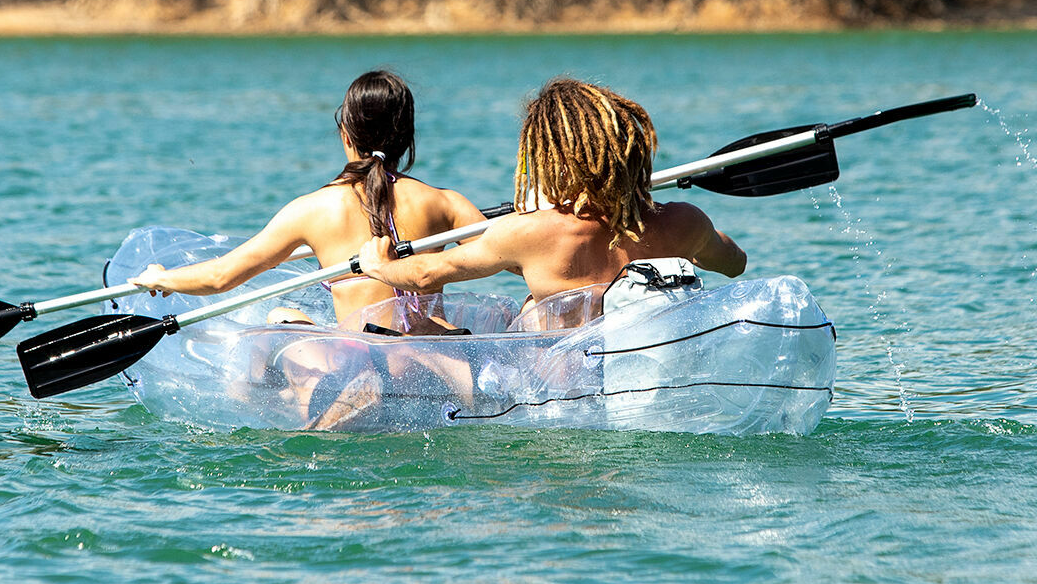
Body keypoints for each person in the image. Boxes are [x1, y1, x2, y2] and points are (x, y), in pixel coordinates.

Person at [131, 70, 485, 429]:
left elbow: (221, 276)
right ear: (408, 138)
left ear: (345, 135)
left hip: (364, 365)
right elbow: (506, 254)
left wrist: (163, 278)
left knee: (280, 317)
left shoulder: (313, 209)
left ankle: (286, 399)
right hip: (432, 365)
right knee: (432, 329)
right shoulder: (444, 203)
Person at [357, 77, 746, 310]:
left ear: (552, 161)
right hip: (656, 379)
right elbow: (735, 263)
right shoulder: (685, 221)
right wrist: (691, 243)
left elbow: (425, 274)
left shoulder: (528, 232)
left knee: (530, 310)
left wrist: (379, 265)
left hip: (571, 400)